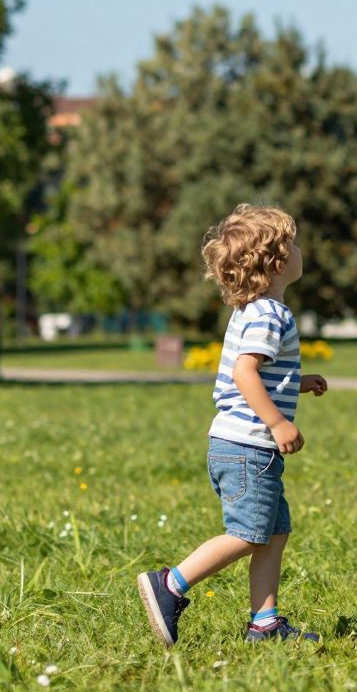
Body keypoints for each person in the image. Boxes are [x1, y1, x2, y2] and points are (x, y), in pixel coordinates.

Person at [136, 204, 329, 646]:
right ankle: (170, 584)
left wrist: (297, 384)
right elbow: (245, 374)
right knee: (247, 533)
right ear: (277, 261)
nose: (301, 250)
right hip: (249, 447)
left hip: (236, 444)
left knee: (274, 533)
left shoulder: (252, 310)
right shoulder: (270, 315)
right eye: (293, 243)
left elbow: (260, 374)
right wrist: (278, 422)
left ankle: (265, 623)